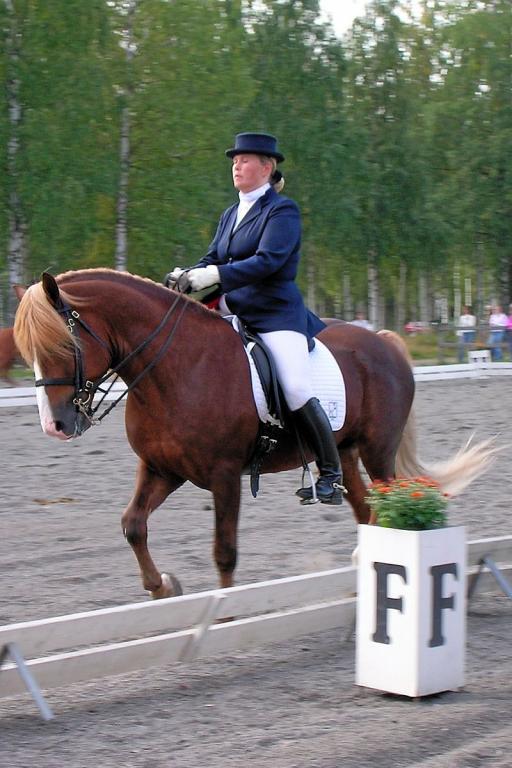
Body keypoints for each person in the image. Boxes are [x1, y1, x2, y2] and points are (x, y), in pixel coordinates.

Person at [166, 132, 342, 505]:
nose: (236, 165)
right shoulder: (231, 213)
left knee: (294, 386)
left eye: (245, 160)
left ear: (266, 167)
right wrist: (188, 274)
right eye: (234, 160)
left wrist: (216, 277)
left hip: (274, 315)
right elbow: (213, 256)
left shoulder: (282, 211)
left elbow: (269, 261)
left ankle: (332, 473)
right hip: (231, 311)